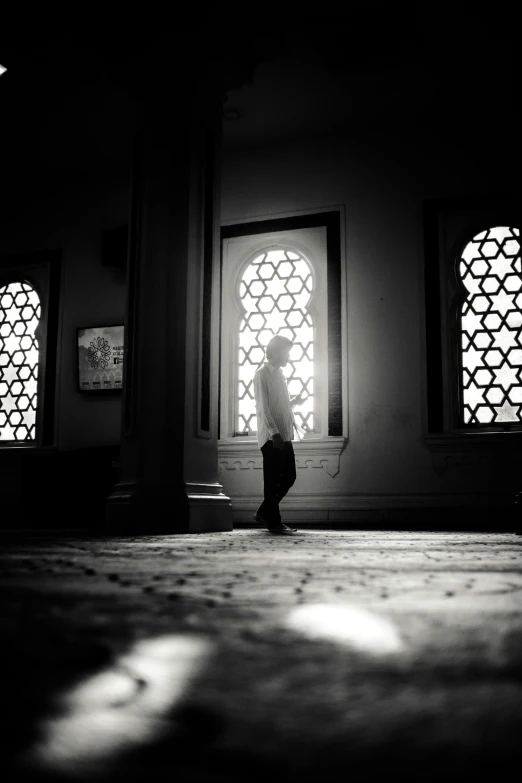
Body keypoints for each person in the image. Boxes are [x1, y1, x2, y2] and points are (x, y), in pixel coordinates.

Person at [252, 334, 308, 534]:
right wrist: (274, 433)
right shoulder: (262, 374)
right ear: (275, 352)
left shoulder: (280, 375)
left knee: (289, 476)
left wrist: (294, 403)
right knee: (273, 480)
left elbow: (280, 405)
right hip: (271, 437)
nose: (288, 357)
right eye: (286, 352)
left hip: (285, 435)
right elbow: (263, 408)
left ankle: (263, 513)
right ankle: (273, 522)